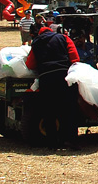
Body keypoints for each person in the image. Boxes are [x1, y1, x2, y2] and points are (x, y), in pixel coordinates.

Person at [24, 14, 82, 147]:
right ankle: (70, 140)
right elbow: (75, 58)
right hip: (64, 76)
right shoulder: (64, 38)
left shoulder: (36, 43)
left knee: (49, 110)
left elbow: (30, 64)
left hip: (46, 77)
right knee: (69, 109)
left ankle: (52, 142)